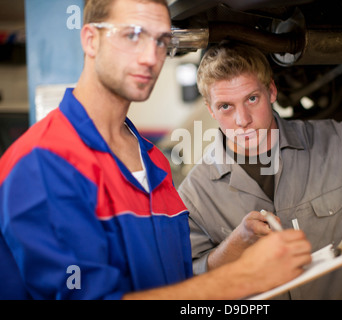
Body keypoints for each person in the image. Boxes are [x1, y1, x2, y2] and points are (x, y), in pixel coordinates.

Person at [0, 0, 312, 300]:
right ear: (91, 40)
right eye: (133, 35)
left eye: (161, 40)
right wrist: (242, 278)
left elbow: (174, 285)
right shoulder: (42, 162)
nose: (151, 57)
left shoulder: (153, 162)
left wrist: (237, 245)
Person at [177, 41, 342, 299]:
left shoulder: (337, 145)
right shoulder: (195, 194)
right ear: (210, 110)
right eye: (226, 106)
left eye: (252, 99)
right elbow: (192, 281)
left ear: (271, 91)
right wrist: (236, 243)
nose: (242, 120)